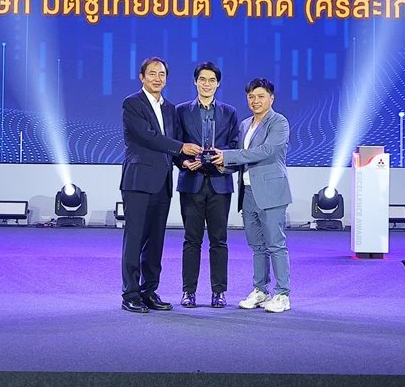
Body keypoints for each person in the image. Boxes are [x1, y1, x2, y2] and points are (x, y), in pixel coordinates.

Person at [120, 57, 202, 314]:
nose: (157, 78)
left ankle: (149, 290)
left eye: (162, 74)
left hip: (162, 182)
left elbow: (171, 146)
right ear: (142, 77)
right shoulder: (132, 103)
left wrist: (183, 162)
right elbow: (148, 137)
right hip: (138, 181)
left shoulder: (170, 108)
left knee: (155, 241)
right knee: (135, 239)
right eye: (152, 73)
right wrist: (181, 147)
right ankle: (130, 294)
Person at [210, 78, 292, 313]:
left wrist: (227, 156)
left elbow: (265, 151)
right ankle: (261, 290)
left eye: (261, 96)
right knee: (257, 246)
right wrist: (223, 166)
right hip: (247, 192)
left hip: (271, 192)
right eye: (251, 97)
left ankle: (282, 294)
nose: (255, 101)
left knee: (275, 245)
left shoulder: (279, 122)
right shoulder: (245, 124)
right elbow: (242, 158)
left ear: (271, 98)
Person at [175, 62, 239, 309]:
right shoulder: (181, 111)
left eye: (212, 80)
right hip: (191, 182)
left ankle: (218, 292)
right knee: (191, 240)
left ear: (218, 83)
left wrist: (222, 161)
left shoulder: (229, 112)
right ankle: (188, 292)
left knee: (219, 241)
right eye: (202, 79)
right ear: (195, 81)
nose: (207, 84)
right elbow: (175, 145)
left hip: (219, 183)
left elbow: (234, 145)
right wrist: (184, 162)